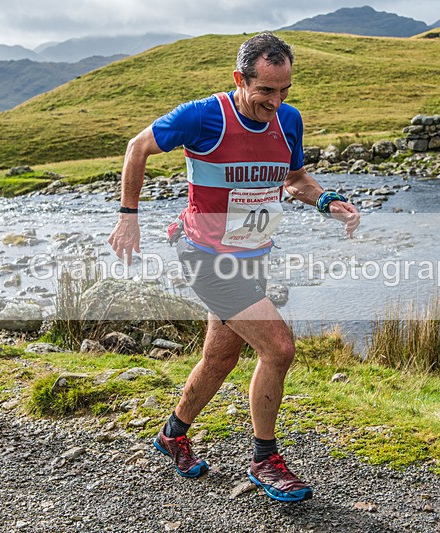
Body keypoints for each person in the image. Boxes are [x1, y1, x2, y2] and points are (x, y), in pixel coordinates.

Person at [108, 31, 360, 503]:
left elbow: (294, 178)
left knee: (221, 357)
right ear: (239, 80)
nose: (276, 101)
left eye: (284, 91)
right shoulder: (206, 116)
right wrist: (128, 216)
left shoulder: (289, 120)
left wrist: (327, 201)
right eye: (265, 90)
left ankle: (171, 434)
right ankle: (265, 460)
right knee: (279, 348)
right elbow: (136, 146)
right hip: (204, 256)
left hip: (252, 256)